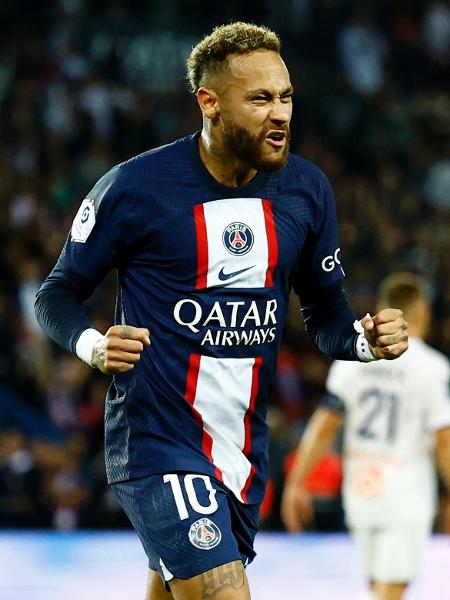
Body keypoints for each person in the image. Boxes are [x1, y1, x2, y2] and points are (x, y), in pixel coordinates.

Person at [35, 22, 408, 600]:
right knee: (221, 591)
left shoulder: (306, 191)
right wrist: (94, 345)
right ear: (208, 103)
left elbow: (328, 317)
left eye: (285, 96)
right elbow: (55, 294)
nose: (280, 113)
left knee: (178, 587)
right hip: (155, 438)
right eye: (259, 99)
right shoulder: (136, 187)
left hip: (239, 448)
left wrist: (363, 339)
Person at [281, 272, 450, 600]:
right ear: (422, 314)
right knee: (389, 590)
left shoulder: (354, 359)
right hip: (406, 493)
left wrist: (296, 482)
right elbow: (443, 440)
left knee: (379, 586)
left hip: (360, 491)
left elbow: (325, 424)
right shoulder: (434, 367)